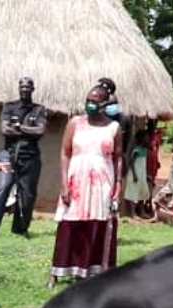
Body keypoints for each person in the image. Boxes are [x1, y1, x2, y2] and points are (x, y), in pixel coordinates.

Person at [51, 85, 124, 285]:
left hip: (102, 182)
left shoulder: (114, 128)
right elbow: (65, 153)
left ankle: (92, 269)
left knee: (97, 223)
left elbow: (118, 157)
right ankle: (58, 270)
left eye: (95, 101)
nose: (91, 104)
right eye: (88, 100)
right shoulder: (75, 123)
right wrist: (64, 184)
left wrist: (118, 183)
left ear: (104, 103)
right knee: (70, 223)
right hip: (77, 181)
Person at [0, 77, 47, 239]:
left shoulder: (39, 109)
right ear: (18, 88)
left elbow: (40, 131)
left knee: (27, 194)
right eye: (22, 87)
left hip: (30, 156)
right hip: (9, 154)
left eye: (28, 87)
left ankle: (20, 229)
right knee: (2, 188)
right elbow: (5, 130)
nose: (25, 90)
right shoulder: (9, 107)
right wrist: (28, 130)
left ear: (33, 89)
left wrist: (18, 127)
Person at [123, 131, 153, 218]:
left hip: (142, 174)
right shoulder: (137, 150)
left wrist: (146, 175)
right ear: (141, 139)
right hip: (135, 174)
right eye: (146, 137)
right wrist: (135, 175)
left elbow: (144, 164)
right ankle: (133, 213)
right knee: (133, 193)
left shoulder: (145, 150)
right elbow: (132, 163)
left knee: (143, 192)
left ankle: (141, 211)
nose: (147, 139)